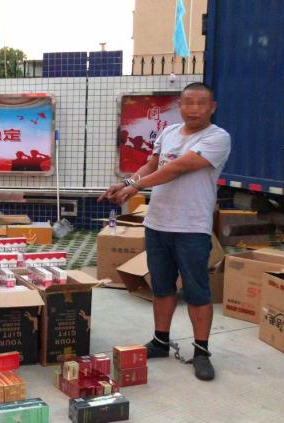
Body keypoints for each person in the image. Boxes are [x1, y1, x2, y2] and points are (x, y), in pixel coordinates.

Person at [99, 82, 231, 381]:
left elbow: (178, 168)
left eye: (201, 103)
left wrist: (135, 187)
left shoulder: (217, 137)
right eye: (188, 102)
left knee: (197, 290)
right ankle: (160, 341)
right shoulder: (169, 132)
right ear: (180, 106)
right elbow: (153, 165)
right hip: (157, 223)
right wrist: (125, 182)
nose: (194, 109)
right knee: (161, 286)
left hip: (191, 227)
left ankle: (201, 351)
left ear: (212, 107)